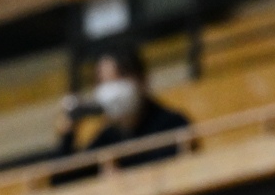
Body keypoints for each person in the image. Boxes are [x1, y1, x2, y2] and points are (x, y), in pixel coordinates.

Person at [56, 45, 190, 169]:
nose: (111, 91)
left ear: (143, 80)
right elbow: (63, 179)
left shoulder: (173, 124)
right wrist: (68, 136)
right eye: (103, 82)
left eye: (119, 78)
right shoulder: (108, 138)